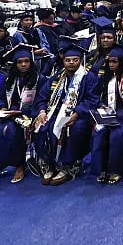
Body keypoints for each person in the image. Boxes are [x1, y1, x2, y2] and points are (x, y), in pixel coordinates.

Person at [0, 47, 51, 183]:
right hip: (9, 114)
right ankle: (0, 163)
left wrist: (22, 112)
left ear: (31, 62)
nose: (23, 65)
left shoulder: (40, 79)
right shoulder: (8, 79)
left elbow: (42, 100)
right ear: (15, 64)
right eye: (19, 62)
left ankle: (19, 165)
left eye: (26, 61)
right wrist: (3, 109)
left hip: (28, 114)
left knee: (12, 132)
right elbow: (0, 99)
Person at [77, 46, 123, 184]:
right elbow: (96, 96)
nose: (111, 65)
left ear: (121, 62)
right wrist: (101, 104)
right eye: (110, 62)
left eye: (115, 62)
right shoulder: (105, 77)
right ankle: (101, 169)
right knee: (99, 132)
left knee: (118, 134)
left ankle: (116, 170)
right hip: (107, 113)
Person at [32, 45, 91, 185]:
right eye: (68, 60)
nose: (71, 63)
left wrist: (77, 114)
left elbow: (91, 100)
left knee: (74, 129)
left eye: (75, 60)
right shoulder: (57, 77)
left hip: (78, 113)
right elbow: (42, 96)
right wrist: (41, 111)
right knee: (42, 126)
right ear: (63, 61)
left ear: (80, 61)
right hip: (54, 110)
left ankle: (68, 167)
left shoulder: (88, 77)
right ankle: (48, 165)